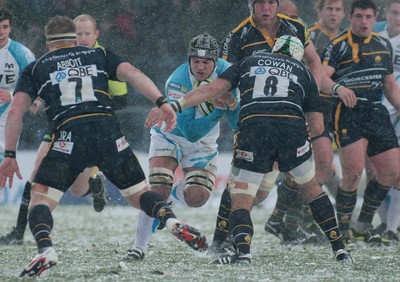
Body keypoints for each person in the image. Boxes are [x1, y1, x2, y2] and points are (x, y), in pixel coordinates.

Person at [0, 15, 208, 278]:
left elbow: (17, 110)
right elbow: (134, 74)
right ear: (74, 38)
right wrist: (161, 102)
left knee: (40, 199)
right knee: (140, 195)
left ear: (48, 43)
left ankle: (46, 249)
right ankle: (171, 219)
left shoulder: (36, 67)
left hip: (68, 134)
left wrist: (9, 155)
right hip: (107, 130)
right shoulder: (97, 55)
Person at [167, 35, 352, 264]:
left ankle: (243, 253)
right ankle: (340, 250)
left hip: (254, 131)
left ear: (273, 50)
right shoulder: (303, 72)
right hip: (290, 131)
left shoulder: (250, 61)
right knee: (313, 191)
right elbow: (317, 126)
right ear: (297, 57)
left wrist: (173, 105)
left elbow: (212, 90)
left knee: (241, 197)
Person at [0, 13, 127, 245]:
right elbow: (48, 86)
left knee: (77, 190)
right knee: (36, 172)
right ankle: (18, 233)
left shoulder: (101, 57)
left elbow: (123, 99)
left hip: (93, 129)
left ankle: (93, 185)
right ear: (70, 37)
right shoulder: (61, 56)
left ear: (96, 35)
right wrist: (39, 100)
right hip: (62, 125)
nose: (82, 38)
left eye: (87, 34)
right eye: (78, 34)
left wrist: (95, 103)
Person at [212, 0, 323, 249]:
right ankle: (222, 239)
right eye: (260, 3)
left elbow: (313, 60)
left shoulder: (295, 27)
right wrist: (227, 98)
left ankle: (246, 228)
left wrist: (309, 96)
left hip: (287, 118)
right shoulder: (237, 36)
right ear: (251, 5)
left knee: (263, 190)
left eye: (271, 2)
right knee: (240, 182)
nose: (266, 8)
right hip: (254, 119)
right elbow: (225, 78)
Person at [124, 33, 239, 260]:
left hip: (204, 144)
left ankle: (167, 201)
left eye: (206, 62)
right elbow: (190, 132)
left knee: (197, 197)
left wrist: (233, 104)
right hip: (170, 134)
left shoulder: (229, 73)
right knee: (158, 186)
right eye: (195, 61)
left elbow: (236, 124)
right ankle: (138, 247)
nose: (200, 66)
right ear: (189, 60)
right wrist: (219, 109)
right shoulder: (177, 81)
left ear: (216, 62)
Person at [265, 0, 346, 244]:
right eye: (329, 8)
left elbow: (319, 75)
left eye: (338, 9)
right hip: (296, 109)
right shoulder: (305, 35)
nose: (291, 20)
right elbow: (315, 76)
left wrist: (338, 89)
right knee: (299, 167)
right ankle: (289, 223)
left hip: (324, 108)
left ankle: (284, 220)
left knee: (320, 164)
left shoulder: (316, 36)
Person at [320, 0, 400, 243]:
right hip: (349, 112)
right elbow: (320, 78)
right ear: (350, 18)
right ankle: (342, 230)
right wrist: (337, 88)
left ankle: (363, 223)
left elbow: (389, 85)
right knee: (353, 175)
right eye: (359, 17)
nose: (363, 22)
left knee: (392, 172)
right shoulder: (338, 45)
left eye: (368, 17)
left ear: (375, 18)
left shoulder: (383, 45)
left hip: (377, 112)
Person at [0, 9, 35, 244]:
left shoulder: (21, 54)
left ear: (10, 27)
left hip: (6, 120)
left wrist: (12, 95)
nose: (0, 32)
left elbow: (38, 90)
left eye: (4, 26)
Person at [370, 0, 400, 243]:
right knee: (375, 173)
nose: (398, 17)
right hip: (374, 113)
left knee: (397, 172)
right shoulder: (375, 38)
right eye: (395, 12)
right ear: (386, 14)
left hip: (399, 112)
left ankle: (392, 228)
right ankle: (382, 223)